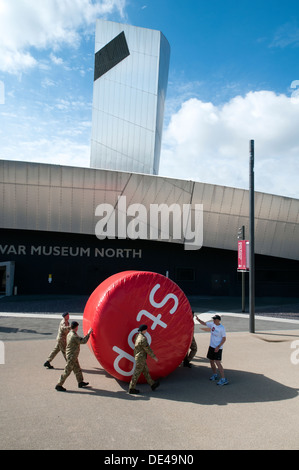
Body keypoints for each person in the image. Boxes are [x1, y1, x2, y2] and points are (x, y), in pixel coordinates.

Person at [55, 321, 93, 392]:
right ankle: (59, 385)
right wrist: (89, 333)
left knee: (77, 369)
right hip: (71, 356)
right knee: (67, 371)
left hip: (73, 355)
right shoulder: (73, 336)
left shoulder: (70, 333)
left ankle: (80, 382)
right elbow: (83, 341)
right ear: (76, 327)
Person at [196, 314, 228, 386]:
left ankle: (223, 379)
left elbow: (224, 339)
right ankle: (215, 374)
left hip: (218, 347)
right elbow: (204, 323)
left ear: (218, 320)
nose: (213, 320)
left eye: (215, 319)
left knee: (217, 362)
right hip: (211, 346)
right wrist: (198, 320)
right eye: (213, 319)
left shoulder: (221, 328)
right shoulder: (212, 324)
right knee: (211, 360)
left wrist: (218, 346)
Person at [129, 324, 160, 395]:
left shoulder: (137, 336)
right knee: (137, 373)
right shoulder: (143, 339)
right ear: (144, 330)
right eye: (146, 329)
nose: (146, 330)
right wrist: (154, 357)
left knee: (146, 371)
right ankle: (131, 388)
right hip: (141, 358)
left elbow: (135, 341)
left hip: (139, 357)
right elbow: (147, 349)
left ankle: (152, 384)